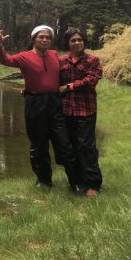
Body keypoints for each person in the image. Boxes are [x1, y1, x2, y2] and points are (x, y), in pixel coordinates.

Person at [0, 25, 83, 193]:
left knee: (64, 144)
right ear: (33, 39)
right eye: (41, 37)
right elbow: (5, 60)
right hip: (34, 104)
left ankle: (76, 183)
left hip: (55, 103)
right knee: (38, 145)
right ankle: (44, 181)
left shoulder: (54, 55)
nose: (44, 39)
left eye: (48, 37)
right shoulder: (24, 57)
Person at [58, 28, 103, 197]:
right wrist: (29, 88)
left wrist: (69, 86)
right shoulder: (61, 61)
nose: (77, 43)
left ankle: (93, 183)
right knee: (70, 148)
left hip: (86, 110)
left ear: (84, 42)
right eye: (73, 40)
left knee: (86, 147)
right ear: (67, 43)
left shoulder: (93, 60)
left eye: (80, 40)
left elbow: (91, 80)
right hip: (66, 111)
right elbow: (51, 81)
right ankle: (76, 182)